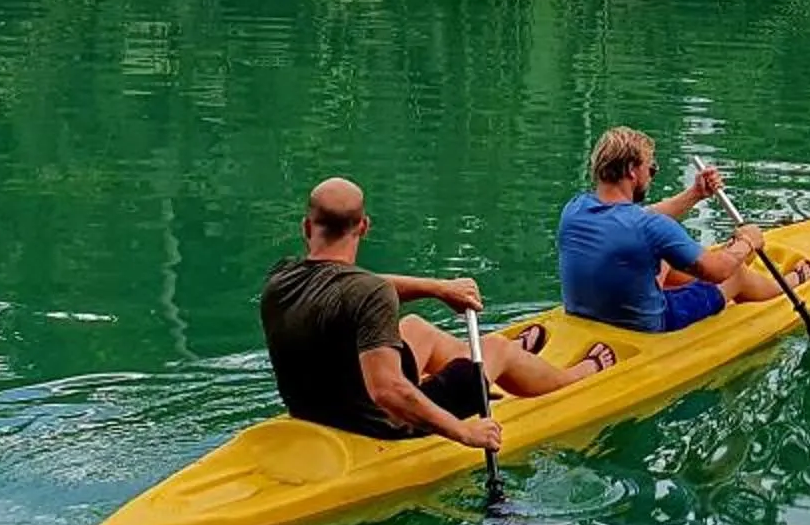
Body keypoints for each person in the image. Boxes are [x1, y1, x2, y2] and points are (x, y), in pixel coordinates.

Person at [261, 178, 615, 445]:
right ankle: (575, 375)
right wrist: (465, 432)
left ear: (306, 227)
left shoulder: (281, 278)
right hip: (384, 425)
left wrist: (438, 288)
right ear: (364, 226)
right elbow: (388, 392)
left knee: (415, 327)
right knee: (496, 348)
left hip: (320, 408)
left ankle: (502, 365)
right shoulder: (369, 293)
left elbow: (355, 285)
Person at [559, 128, 810, 334]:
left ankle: (715, 268)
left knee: (662, 258)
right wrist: (747, 242)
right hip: (649, 323)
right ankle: (792, 282)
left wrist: (695, 194)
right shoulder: (651, 228)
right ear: (631, 171)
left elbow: (637, 219)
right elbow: (718, 271)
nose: (651, 176)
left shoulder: (575, 209)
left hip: (588, 313)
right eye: (651, 169)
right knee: (736, 273)